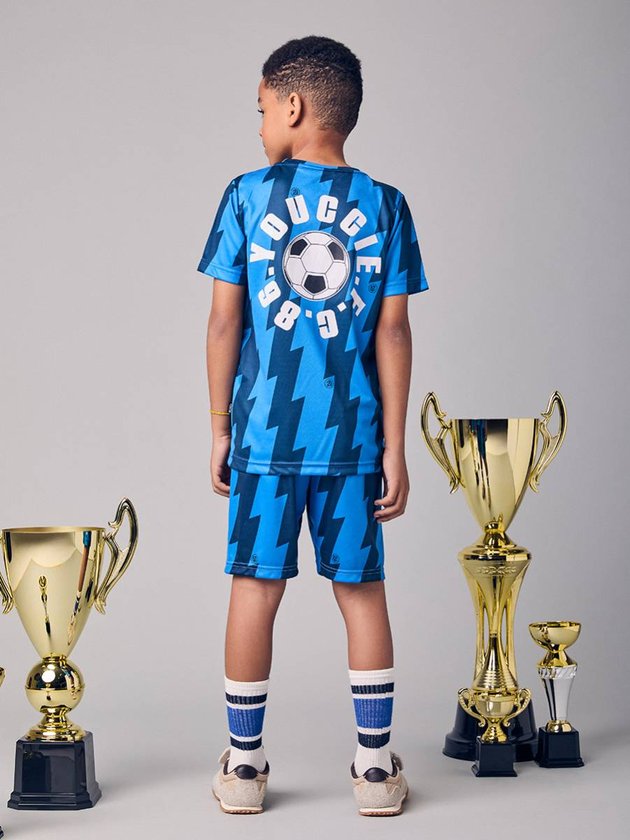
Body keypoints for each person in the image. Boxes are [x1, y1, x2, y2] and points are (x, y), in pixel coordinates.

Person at [198, 35, 428, 816]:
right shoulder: (387, 206)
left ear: (292, 106)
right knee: (361, 592)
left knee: (254, 588)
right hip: (354, 443)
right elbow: (393, 333)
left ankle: (243, 767)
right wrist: (396, 447)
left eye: (262, 109)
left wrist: (220, 426)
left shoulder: (244, 196)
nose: (259, 125)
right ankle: (374, 770)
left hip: (265, 440)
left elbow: (223, 324)